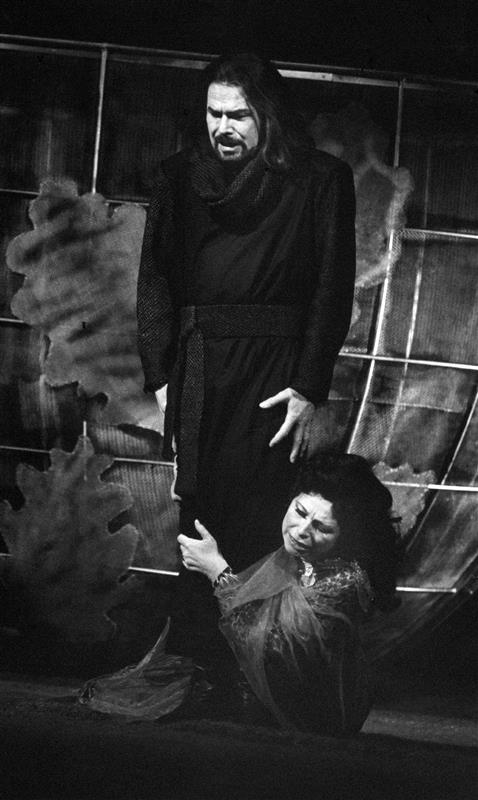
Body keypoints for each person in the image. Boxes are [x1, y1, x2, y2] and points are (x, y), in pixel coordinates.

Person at [137, 52, 356, 664]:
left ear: (268, 115)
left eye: (238, 115)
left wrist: (309, 385)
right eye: (214, 113)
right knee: (199, 513)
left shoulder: (320, 178)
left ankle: (255, 665)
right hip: (200, 366)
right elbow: (155, 279)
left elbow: (331, 287)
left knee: (263, 513)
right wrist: (160, 375)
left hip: (274, 371)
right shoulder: (179, 176)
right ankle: (195, 662)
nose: (223, 127)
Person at [178, 453, 400, 735]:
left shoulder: (347, 580)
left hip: (312, 720)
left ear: (345, 536)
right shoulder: (294, 558)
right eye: (300, 512)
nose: (302, 531)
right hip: (268, 701)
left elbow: (274, 649)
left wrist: (217, 571)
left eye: (322, 528)